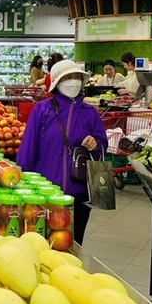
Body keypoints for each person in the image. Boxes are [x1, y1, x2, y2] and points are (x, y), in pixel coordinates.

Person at [17, 60, 108, 245]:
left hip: (78, 195)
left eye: (77, 77)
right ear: (57, 82)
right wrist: (22, 184)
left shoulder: (89, 113)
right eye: (68, 77)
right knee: (41, 244)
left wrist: (95, 143)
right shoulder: (42, 110)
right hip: (44, 193)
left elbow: (102, 145)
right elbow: (27, 148)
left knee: (73, 244)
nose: (73, 81)